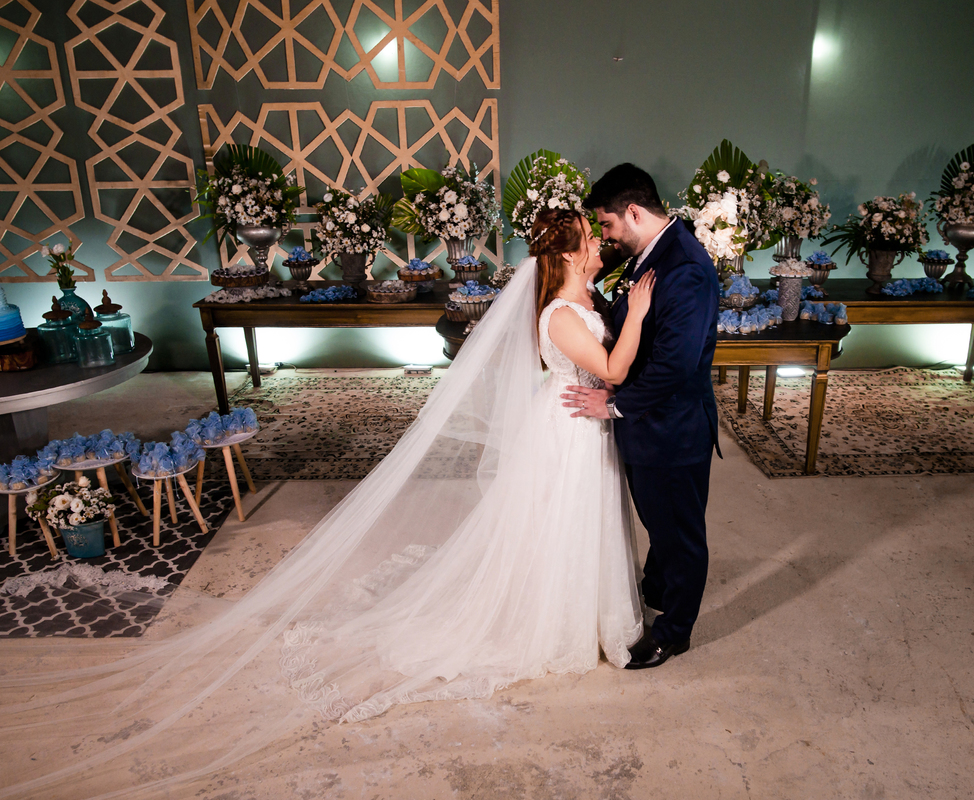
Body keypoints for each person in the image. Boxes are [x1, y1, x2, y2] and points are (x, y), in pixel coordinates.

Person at [0, 209, 657, 799]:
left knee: (573, 527)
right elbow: (615, 369)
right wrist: (642, 314)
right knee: (559, 524)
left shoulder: (581, 297)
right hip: (569, 430)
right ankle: (556, 618)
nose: (601, 246)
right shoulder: (564, 317)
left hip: (579, 427)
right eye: (591, 241)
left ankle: (581, 607)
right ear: (568, 254)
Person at [563, 163, 721, 669]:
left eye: (607, 225)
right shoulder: (651, 253)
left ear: (634, 212)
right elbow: (639, 322)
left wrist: (613, 404)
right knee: (659, 523)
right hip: (648, 428)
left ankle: (674, 632)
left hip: (672, 430)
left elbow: (675, 363)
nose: (605, 237)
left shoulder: (686, 267)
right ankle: (654, 591)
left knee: (679, 536)